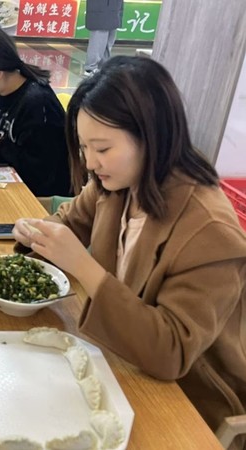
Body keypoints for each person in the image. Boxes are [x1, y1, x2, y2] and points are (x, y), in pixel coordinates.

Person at [13, 56, 246, 449]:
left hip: (190, 401)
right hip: (117, 359)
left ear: (151, 136)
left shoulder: (210, 231)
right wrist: (35, 233)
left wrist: (84, 267)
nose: (90, 162)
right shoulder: (117, 180)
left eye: (102, 148)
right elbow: (69, 222)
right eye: (84, 147)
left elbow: (172, 352)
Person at [0, 22, 71, 198]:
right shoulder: (6, 90)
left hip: (36, 200)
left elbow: (38, 174)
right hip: (10, 185)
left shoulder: (37, 104)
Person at [83, 0, 124, 76]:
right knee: (98, 41)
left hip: (114, 8)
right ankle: (90, 68)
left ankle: (103, 66)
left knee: (108, 42)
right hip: (100, 9)